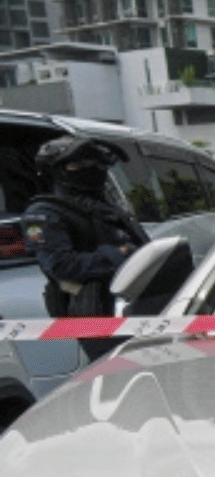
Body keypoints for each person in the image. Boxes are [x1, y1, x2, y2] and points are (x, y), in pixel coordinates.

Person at [29, 136, 150, 360]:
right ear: (56, 170)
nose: (92, 170)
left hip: (138, 310)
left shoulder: (108, 209)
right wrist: (119, 255)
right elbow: (62, 265)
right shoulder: (44, 213)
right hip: (95, 315)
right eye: (80, 165)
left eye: (98, 164)